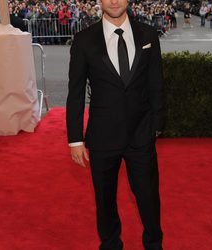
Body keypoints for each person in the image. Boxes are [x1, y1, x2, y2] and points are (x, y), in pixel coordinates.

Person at [66, 0, 164, 248]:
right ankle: (110, 244)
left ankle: (154, 243)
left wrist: (157, 124)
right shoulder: (84, 40)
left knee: (148, 197)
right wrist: (75, 139)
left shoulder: (149, 34)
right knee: (105, 199)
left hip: (141, 134)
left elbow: (156, 82)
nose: (113, 1)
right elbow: (75, 93)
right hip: (102, 136)